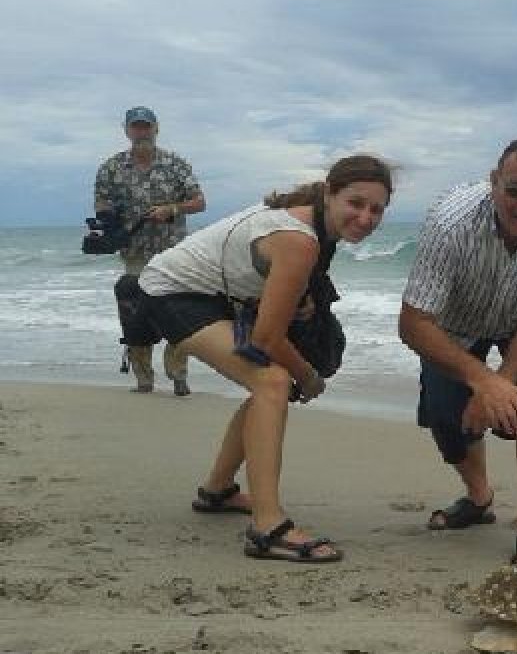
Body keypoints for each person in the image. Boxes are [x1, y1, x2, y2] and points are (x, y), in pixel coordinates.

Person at [138, 154, 394, 562]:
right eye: (356, 203)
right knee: (272, 381)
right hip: (170, 292)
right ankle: (267, 527)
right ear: (330, 193)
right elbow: (267, 338)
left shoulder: (317, 221)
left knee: (269, 385)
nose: (365, 217)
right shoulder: (299, 239)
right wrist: (307, 376)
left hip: (218, 294)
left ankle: (218, 490)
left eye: (376, 209)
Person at [399, 136, 517, 565]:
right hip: (452, 323)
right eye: (515, 191)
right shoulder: (451, 224)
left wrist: (501, 383)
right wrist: (481, 381)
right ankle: (479, 497)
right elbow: (413, 322)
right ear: (494, 182)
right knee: (446, 417)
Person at [94, 106, 206, 396]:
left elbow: (199, 202)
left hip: (174, 253)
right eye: (136, 127)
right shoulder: (111, 168)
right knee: (134, 314)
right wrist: (106, 225)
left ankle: (179, 376)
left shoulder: (175, 164)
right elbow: (101, 204)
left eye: (146, 126)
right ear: (126, 130)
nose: (141, 132)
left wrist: (172, 209)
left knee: (179, 312)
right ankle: (143, 379)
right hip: (134, 254)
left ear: (156, 129)